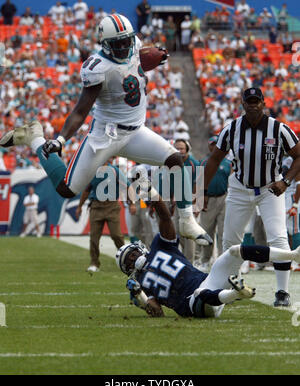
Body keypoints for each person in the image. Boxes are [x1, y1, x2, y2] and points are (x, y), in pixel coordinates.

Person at [0, 14, 212, 249]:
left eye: (126, 41)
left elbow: (139, 58)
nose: (123, 47)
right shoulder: (97, 67)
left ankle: (187, 221)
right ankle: (34, 137)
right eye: (117, 43)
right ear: (105, 44)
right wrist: (60, 139)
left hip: (135, 131)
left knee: (174, 158)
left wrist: (154, 55)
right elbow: (81, 110)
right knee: (66, 189)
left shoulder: (134, 45)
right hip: (105, 135)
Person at [116, 196, 300, 319]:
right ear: (127, 269)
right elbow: (157, 313)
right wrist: (141, 296)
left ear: (140, 249)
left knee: (234, 251)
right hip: (193, 305)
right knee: (200, 294)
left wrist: (154, 197)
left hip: (209, 280)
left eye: (132, 254)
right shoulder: (139, 284)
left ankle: (292, 255)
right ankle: (236, 293)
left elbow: (165, 218)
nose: (133, 259)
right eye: (128, 261)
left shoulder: (159, 246)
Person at [203, 87, 300, 307]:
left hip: (270, 188)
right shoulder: (232, 129)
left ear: (264, 104)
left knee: (278, 237)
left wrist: (285, 181)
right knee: (230, 240)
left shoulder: (279, 129)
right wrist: (204, 191)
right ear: (243, 104)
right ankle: (231, 287)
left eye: (257, 101)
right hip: (240, 188)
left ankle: (282, 292)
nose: (253, 105)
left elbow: (298, 156)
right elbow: (214, 159)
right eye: (249, 102)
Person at [76, 158, 131, 274]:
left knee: (116, 235)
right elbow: (86, 191)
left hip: (112, 205)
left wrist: (132, 203)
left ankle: (126, 261)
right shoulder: (93, 172)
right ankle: (94, 263)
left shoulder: (115, 171)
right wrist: (79, 206)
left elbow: (127, 186)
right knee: (94, 238)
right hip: (96, 206)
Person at [196, 136, 231, 271]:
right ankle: (205, 259)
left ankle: (222, 260)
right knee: (207, 231)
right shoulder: (203, 162)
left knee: (223, 231)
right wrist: (199, 202)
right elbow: (199, 183)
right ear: (209, 146)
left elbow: (231, 181)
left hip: (223, 198)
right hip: (207, 199)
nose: (215, 147)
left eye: (217, 144)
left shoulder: (228, 163)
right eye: (212, 144)